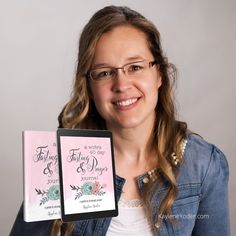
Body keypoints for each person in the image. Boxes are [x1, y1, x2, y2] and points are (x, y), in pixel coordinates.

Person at [10, 5, 230, 236]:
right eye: (104, 72)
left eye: (135, 67)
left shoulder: (204, 166)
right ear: (89, 86)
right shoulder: (58, 164)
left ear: (160, 75)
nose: (122, 85)